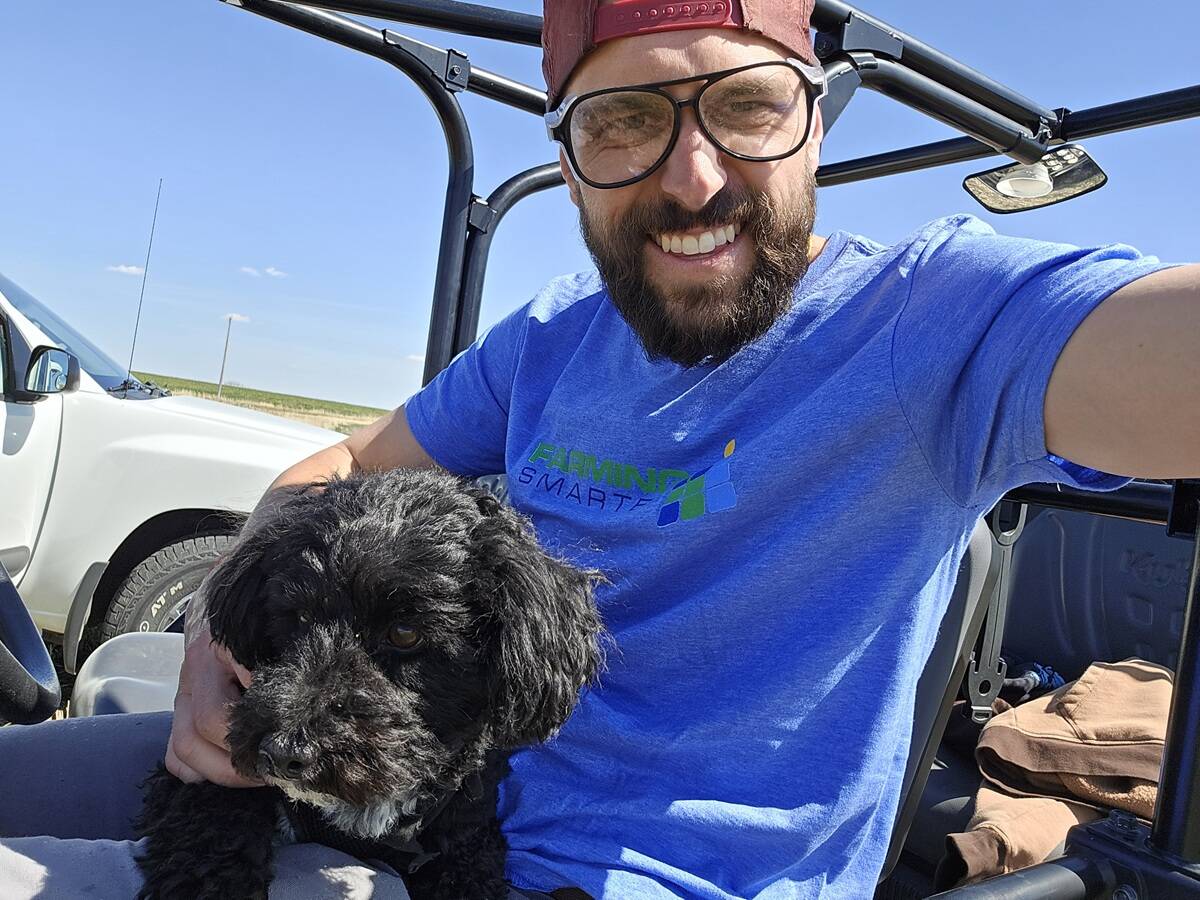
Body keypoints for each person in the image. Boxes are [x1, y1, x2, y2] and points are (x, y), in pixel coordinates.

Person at [1, 0, 1196, 897]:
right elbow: (329, 477)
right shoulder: (555, 338)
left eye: (746, 103)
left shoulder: (935, 321)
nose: (693, 175)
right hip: (417, 792)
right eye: (621, 121)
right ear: (569, 158)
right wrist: (214, 639)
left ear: (814, 120)